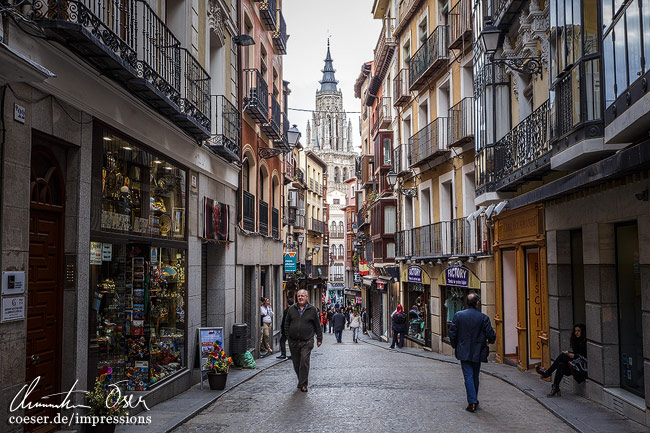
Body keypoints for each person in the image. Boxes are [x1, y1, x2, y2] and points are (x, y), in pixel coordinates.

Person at [449, 293, 496, 413]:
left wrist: (455, 345)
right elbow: (491, 334)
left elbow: (453, 333)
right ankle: (473, 399)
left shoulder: (458, 315)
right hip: (478, 350)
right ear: (477, 303)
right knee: (475, 375)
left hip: (463, 349)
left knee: (468, 375)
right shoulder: (483, 318)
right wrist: (490, 340)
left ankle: (472, 401)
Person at [284, 289, 323, 392]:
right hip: (294, 341)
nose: (300, 297)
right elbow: (286, 323)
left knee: (304, 361)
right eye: (299, 296)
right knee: (296, 363)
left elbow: (317, 326)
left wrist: (319, 338)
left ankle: (304, 384)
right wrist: (288, 336)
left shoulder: (312, 310)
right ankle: (301, 380)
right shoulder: (292, 309)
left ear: (307, 297)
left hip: (307, 341)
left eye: (302, 296)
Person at [536, 323, 587, 397]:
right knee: (561, 365)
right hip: (575, 366)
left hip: (582, 369)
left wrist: (573, 355)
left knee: (562, 356)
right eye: (575, 331)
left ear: (583, 331)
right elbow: (576, 355)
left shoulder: (586, 343)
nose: (577, 333)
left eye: (579, 331)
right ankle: (555, 387)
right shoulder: (575, 341)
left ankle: (548, 372)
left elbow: (586, 358)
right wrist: (570, 353)